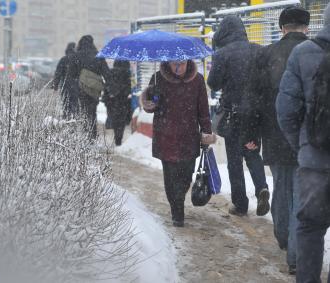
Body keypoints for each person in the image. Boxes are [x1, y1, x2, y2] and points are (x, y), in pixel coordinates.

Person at [241, 7, 310, 275]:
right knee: (302, 194)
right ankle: (296, 255)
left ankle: (283, 236)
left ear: (281, 28)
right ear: (307, 27)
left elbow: (251, 100)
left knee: (282, 186)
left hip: (276, 134)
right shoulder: (319, 53)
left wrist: (250, 134)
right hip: (308, 138)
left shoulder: (265, 54)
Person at [277, 4, 330, 282]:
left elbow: (285, 110)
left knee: (310, 228)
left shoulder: (303, 53)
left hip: (315, 161)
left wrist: (304, 146)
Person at [207, 15, 270, 217]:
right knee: (252, 152)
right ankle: (262, 187)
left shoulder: (222, 54)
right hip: (255, 116)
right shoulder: (259, 50)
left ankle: (240, 204)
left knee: (234, 161)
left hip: (233, 115)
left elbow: (213, 83)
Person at [141, 60, 216, 227]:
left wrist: (206, 131)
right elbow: (149, 108)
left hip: (188, 138)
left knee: (186, 176)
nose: (178, 68)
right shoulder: (157, 78)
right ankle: (177, 211)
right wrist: (151, 97)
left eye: (181, 64)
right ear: (168, 63)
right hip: (165, 136)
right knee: (170, 177)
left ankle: (178, 199)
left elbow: (203, 110)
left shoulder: (197, 80)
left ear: (188, 63)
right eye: (175, 64)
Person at [67, 35, 110, 140]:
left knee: (82, 111)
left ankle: (85, 135)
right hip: (94, 90)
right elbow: (106, 73)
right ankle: (92, 135)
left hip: (80, 89)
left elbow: (70, 74)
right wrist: (108, 87)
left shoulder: (76, 56)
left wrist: (73, 87)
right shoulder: (98, 55)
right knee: (92, 112)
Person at [103, 60, 131, 146]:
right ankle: (119, 138)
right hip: (123, 101)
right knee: (121, 120)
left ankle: (116, 135)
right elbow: (130, 87)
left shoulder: (110, 72)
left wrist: (107, 97)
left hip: (112, 100)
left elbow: (106, 86)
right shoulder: (127, 73)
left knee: (114, 118)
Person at [52, 42, 77, 119]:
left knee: (66, 104)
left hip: (65, 86)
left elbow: (58, 73)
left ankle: (66, 117)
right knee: (75, 104)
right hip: (76, 86)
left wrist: (55, 85)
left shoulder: (63, 60)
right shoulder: (77, 59)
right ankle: (74, 118)